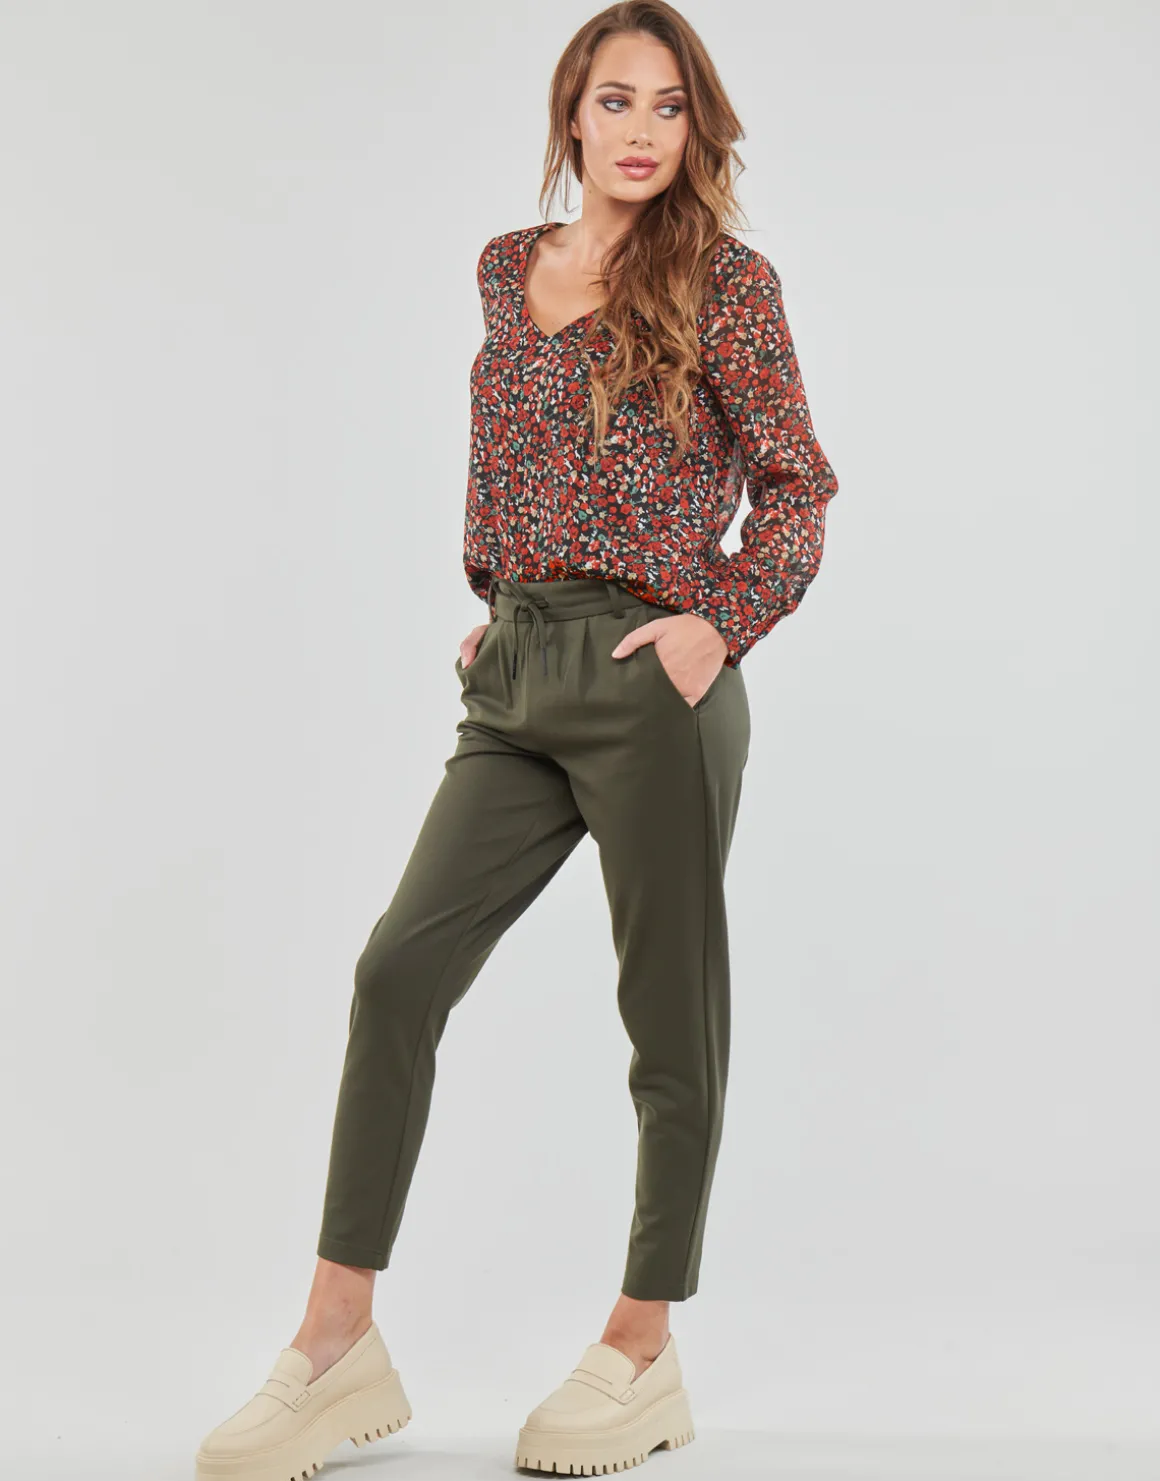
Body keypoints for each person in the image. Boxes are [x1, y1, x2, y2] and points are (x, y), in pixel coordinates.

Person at [194, 2, 839, 1476]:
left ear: (697, 128)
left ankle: (641, 1345)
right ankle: (336, 1339)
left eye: (669, 106)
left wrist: (719, 623)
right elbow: (515, 455)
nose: (640, 130)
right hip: (519, 670)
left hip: (654, 676)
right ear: (571, 115)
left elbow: (798, 486)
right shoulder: (506, 267)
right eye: (615, 100)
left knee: (668, 1019)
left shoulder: (728, 283)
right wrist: (500, 605)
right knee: (397, 970)